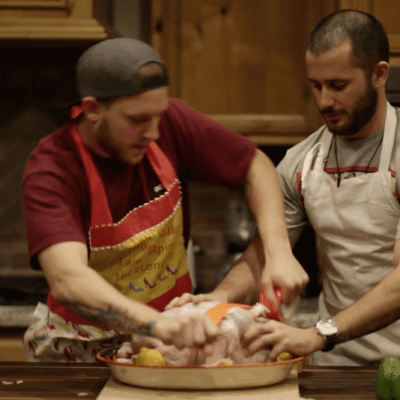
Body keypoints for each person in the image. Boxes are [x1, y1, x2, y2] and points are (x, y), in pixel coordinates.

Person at [22, 37, 308, 362]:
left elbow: (256, 166)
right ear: (92, 110)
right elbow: (68, 280)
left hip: (166, 349)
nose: (154, 132)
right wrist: (159, 325)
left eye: (159, 115)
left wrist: (278, 251)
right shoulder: (53, 168)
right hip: (81, 348)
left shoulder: (168, 123)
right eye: (137, 120)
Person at [236, 9, 400, 367]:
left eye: (338, 86)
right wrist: (210, 303)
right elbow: (264, 254)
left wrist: (317, 334)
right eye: (316, 85)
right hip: (332, 364)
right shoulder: (301, 162)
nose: (324, 101)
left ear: (379, 74)